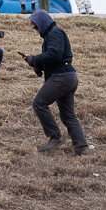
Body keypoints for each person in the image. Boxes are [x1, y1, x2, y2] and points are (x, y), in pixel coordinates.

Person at [23, 9, 88, 156]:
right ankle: (81, 148)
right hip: (68, 77)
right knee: (68, 116)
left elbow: (55, 54)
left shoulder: (55, 33)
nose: (36, 30)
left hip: (62, 77)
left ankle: (55, 136)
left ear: (43, 22)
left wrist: (36, 59)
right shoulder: (51, 35)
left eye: (36, 26)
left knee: (38, 103)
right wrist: (37, 66)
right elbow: (55, 57)